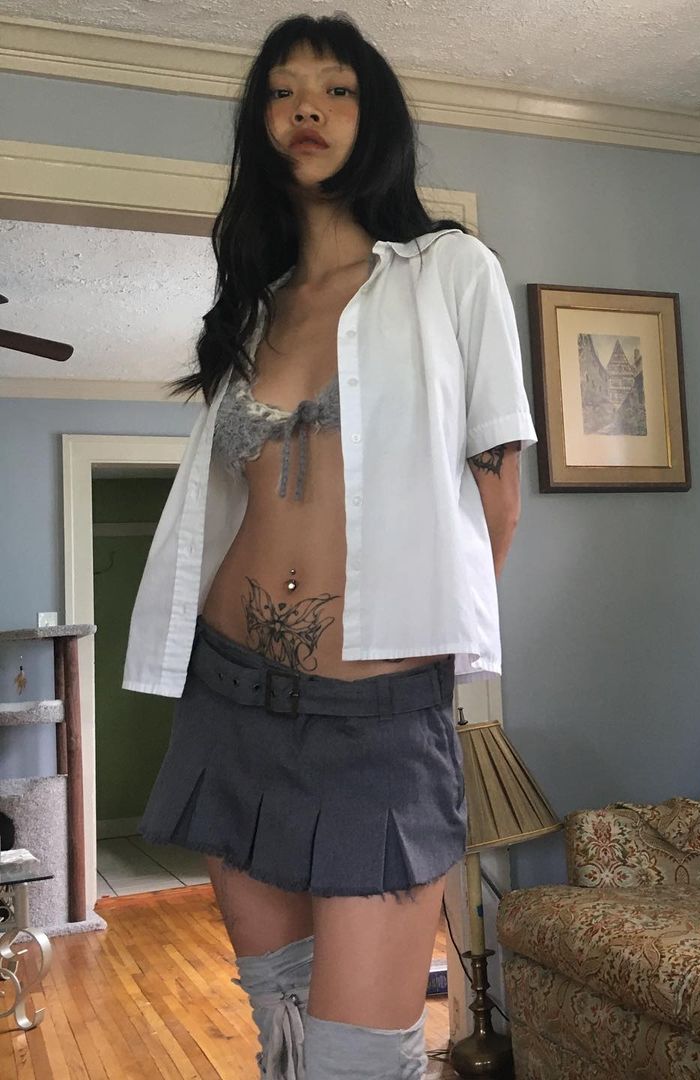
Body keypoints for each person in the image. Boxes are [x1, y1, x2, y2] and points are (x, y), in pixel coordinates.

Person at [121, 12, 537, 1079]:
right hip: (231, 695)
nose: (307, 107)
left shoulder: (450, 271)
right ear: (260, 124)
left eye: (336, 88)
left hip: (375, 718)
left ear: (374, 115)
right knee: (286, 1035)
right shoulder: (253, 314)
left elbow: (498, 504)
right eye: (283, 90)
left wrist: (414, 658)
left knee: (361, 1059)